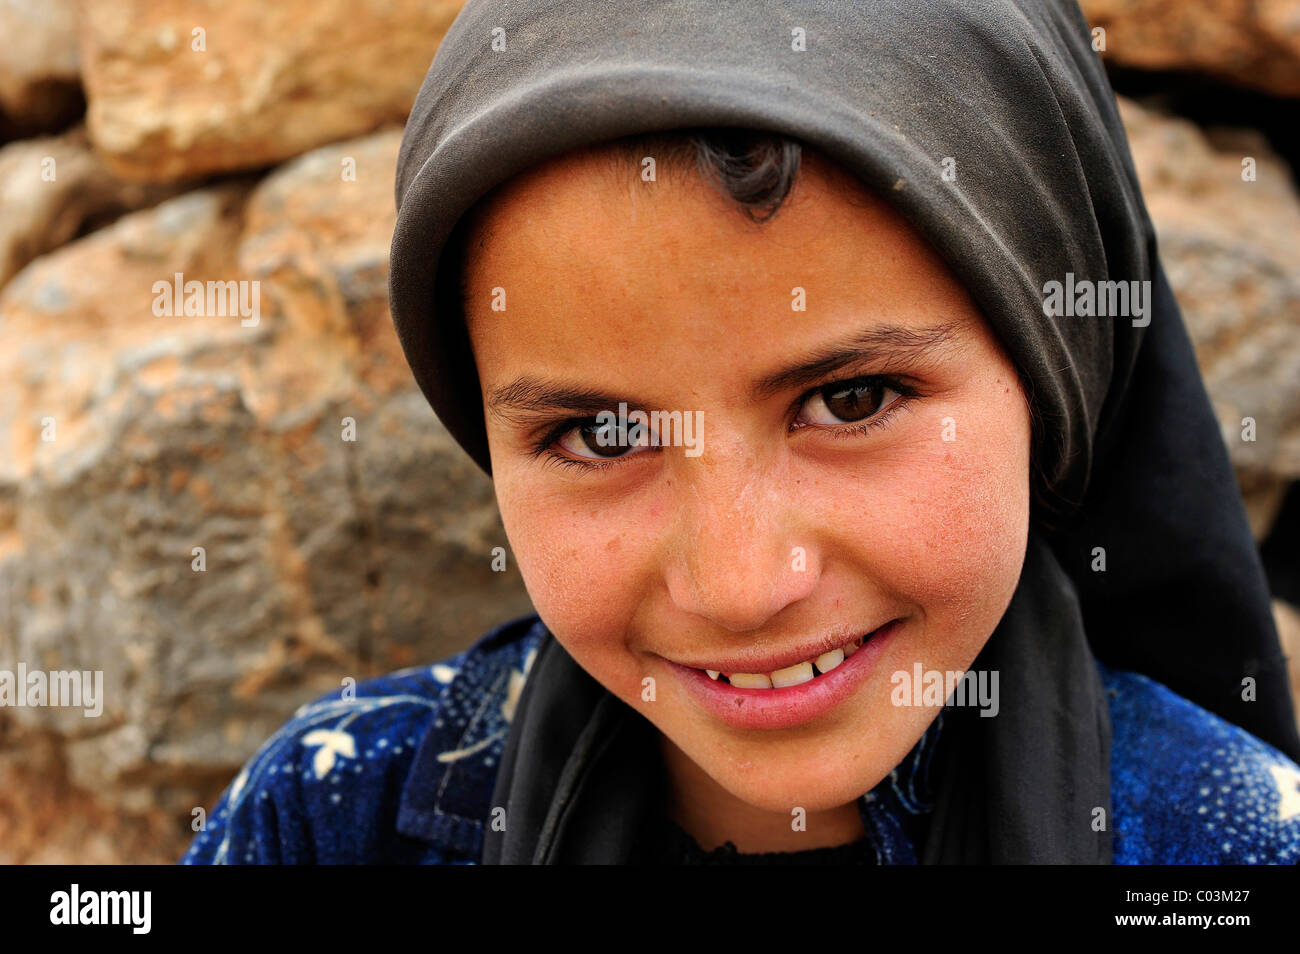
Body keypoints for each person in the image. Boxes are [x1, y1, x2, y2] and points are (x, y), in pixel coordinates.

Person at [182, 0, 1300, 865]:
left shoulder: (1232, 847)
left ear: (1057, 376)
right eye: (604, 434)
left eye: (850, 401)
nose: (739, 585)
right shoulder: (332, 817)